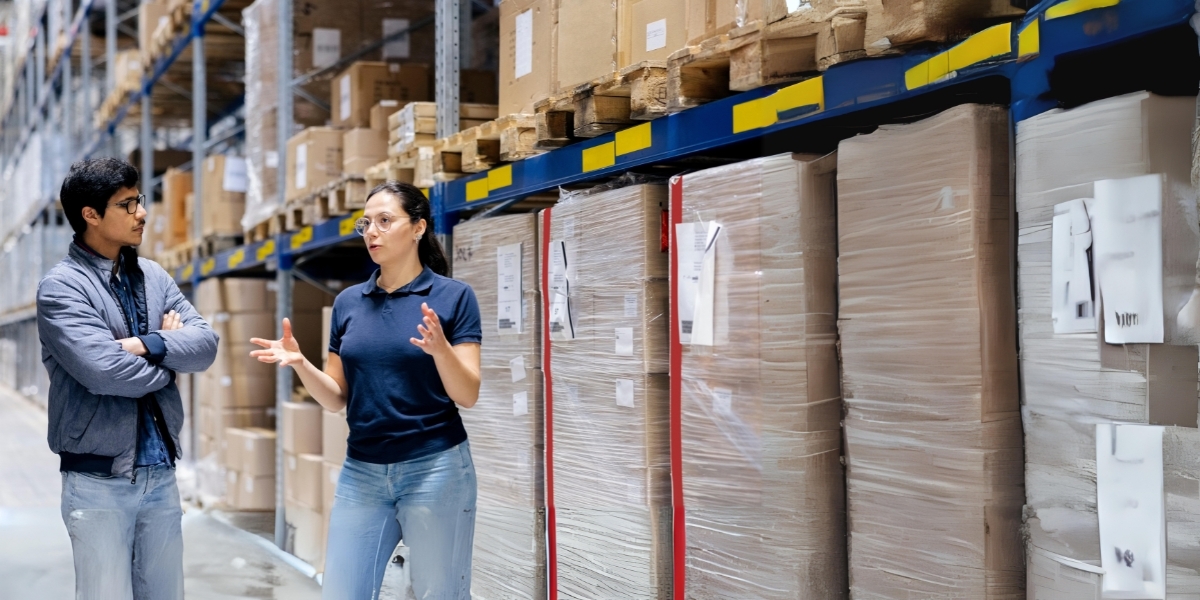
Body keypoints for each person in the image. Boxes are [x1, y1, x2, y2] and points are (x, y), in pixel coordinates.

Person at [250, 181, 482, 599]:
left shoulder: (453, 297)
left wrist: (441, 350)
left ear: (418, 228)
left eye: (385, 221)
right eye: (366, 223)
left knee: (440, 593)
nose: (372, 232)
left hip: (435, 468)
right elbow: (336, 397)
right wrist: (301, 364)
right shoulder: (349, 303)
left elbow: (467, 394)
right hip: (363, 472)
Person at [35, 158, 219, 599]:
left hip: (161, 472)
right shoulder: (62, 288)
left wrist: (144, 344)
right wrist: (170, 359)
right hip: (98, 482)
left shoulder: (153, 276)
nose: (142, 213)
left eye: (140, 200)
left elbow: (205, 344)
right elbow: (104, 372)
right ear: (91, 215)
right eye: (127, 204)